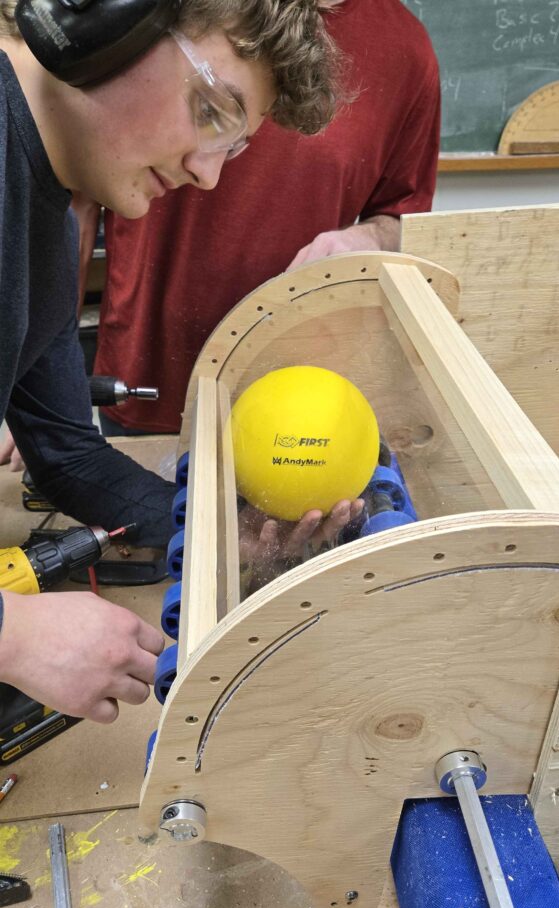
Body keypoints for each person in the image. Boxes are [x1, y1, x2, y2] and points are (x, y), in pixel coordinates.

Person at [0, 0, 345, 725]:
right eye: (213, 111)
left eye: (233, 145)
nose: (207, 175)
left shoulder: (48, 230)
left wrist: (222, 530)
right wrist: (11, 634)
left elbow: (68, 455)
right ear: (97, 18)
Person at [79, 0, 440, 439]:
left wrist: (369, 238)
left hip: (291, 398)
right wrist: (42, 378)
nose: (207, 175)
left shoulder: (406, 49)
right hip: (141, 376)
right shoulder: (177, 8)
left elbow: (406, 221)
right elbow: (76, 190)